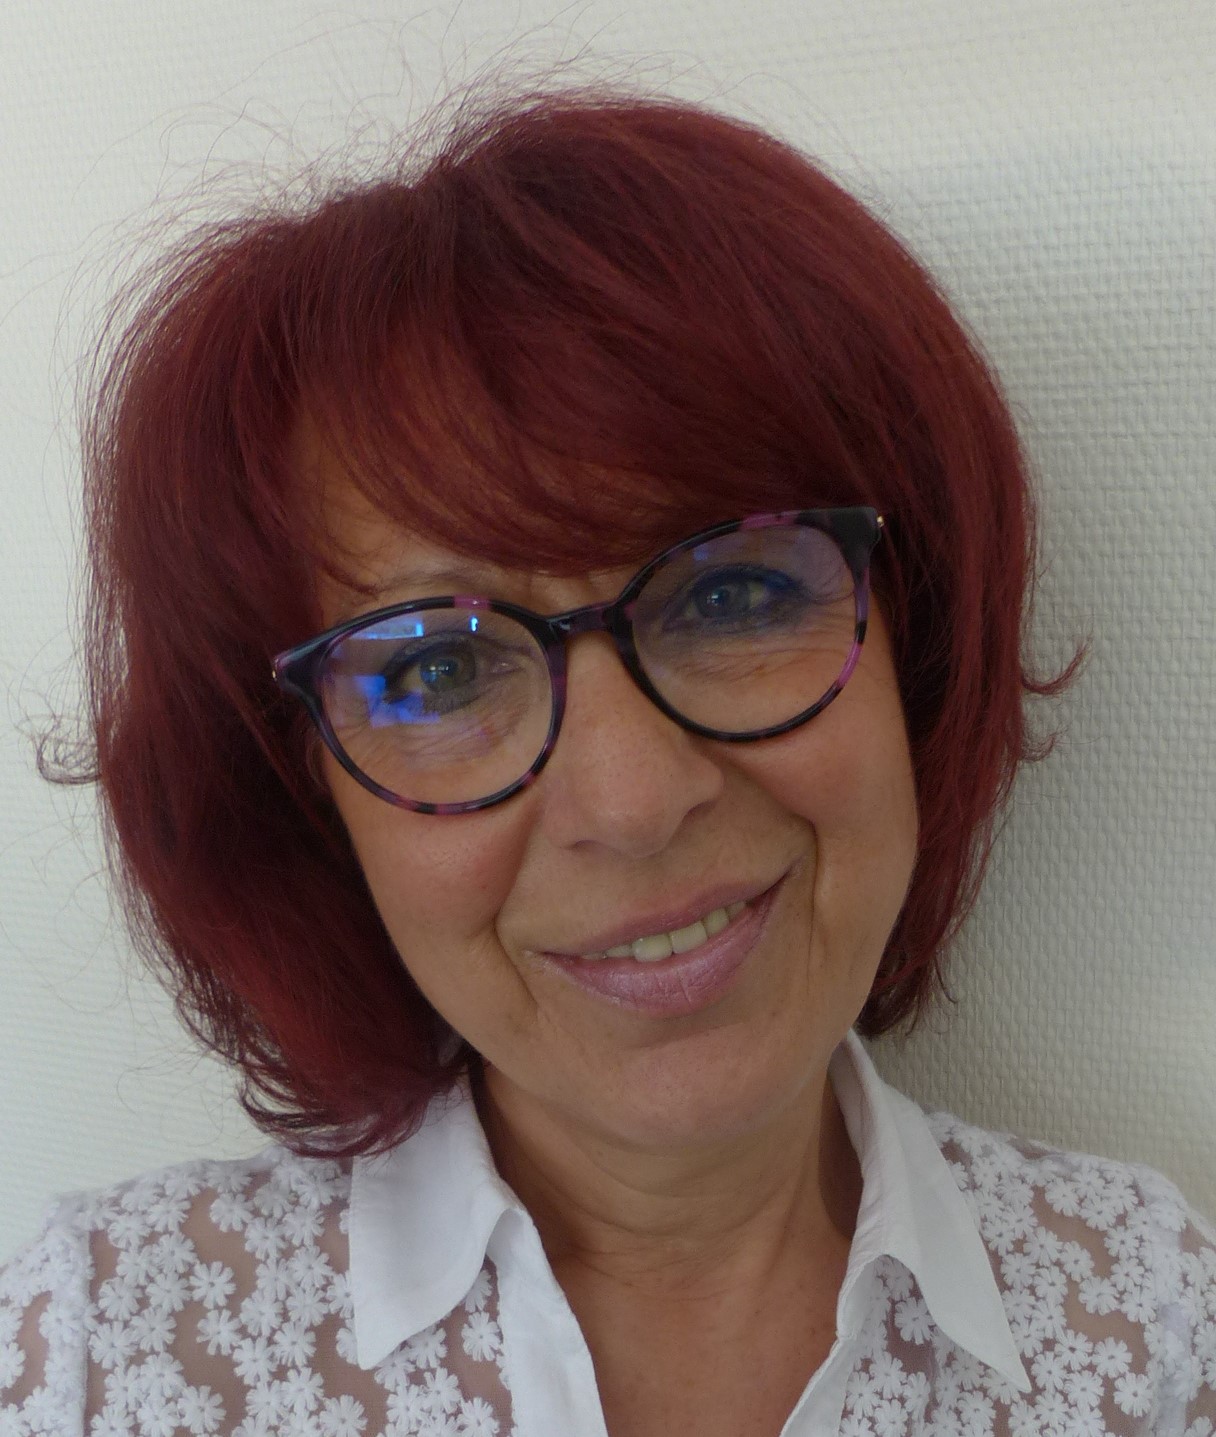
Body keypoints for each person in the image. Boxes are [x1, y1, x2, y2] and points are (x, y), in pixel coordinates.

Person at [2, 87, 1213, 1437]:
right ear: (306, 796)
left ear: (912, 643)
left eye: (736, 596)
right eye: (439, 669)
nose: (635, 800)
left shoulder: (1150, 1327)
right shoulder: (95, 1356)